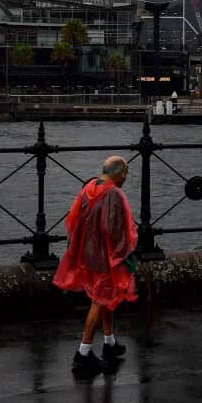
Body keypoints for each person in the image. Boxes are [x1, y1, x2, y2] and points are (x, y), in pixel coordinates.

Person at [53, 155, 139, 374]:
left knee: (104, 296)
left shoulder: (89, 187)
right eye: (125, 174)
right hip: (106, 255)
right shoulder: (114, 194)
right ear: (118, 173)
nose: (126, 178)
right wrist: (125, 254)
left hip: (88, 252)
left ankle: (109, 342)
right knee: (100, 300)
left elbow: (73, 221)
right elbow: (116, 229)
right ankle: (83, 353)